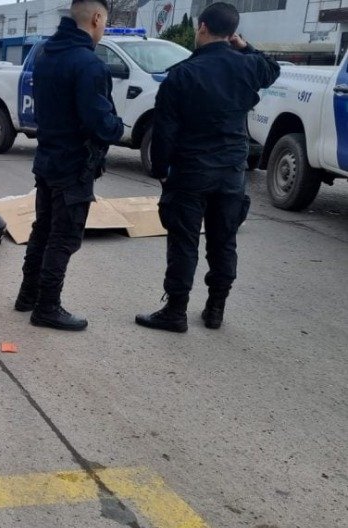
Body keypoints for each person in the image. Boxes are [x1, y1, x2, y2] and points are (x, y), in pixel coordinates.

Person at [136, 2, 280, 332]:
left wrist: (160, 169)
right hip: (231, 171)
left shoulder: (182, 74)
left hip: (190, 172)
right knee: (223, 240)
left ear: (201, 28)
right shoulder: (248, 66)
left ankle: (175, 311)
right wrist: (246, 48)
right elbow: (272, 69)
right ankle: (215, 309)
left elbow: (165, 130)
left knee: (184, 242)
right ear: (232, 34)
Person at [13, 0, 124, 331]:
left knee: (42, 230)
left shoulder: (46, 53)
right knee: (64, 238)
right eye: (105, 22)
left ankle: (27, 295)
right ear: (96, 18)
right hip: (73, 166)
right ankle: (47, 307)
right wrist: (116, 127)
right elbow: (100, 123)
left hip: (47, 159)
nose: (103, 29)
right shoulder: (89, 64)